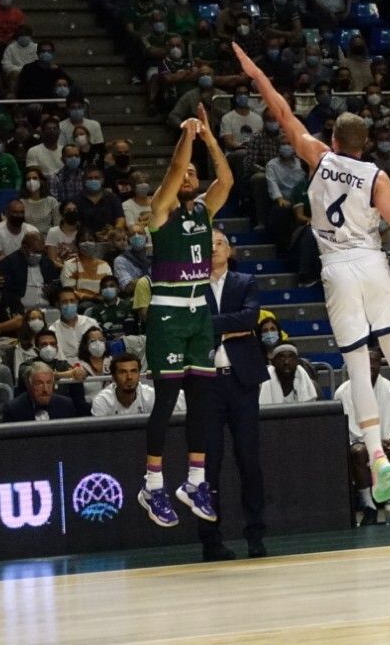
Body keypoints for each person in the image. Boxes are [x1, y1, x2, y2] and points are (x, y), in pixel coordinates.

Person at [233, 42, 390, 506]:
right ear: (365, 145)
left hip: (337, 268)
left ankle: (377, 456)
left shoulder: (318, 157)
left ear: (336, 140)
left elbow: (282, 112)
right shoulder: (377, 178)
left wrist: (256, 72)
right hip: (372, 263)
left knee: (358, 366)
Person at [139, 104, 231, 528]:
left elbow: (227, 180)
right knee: (166, 401)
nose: (191, 176)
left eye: (196, 173)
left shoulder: (204, 212)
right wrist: (187, 136)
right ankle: (152, 485)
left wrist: (210, 138)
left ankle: (195, 482)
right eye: (186, 174)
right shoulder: (161, 211)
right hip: (168, 315)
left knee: (202, 403)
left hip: (199, 316)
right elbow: (175, 167)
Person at [198, 229, 269, 560]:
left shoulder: (245, 281)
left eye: (220, 242)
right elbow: (193, 324)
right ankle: (211, 540)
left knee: (249, 460)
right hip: (207, 383)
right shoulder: (192, 285)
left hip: (242, 382)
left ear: (230, 248)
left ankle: (255, 535)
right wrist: (232, 326)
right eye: (208, 244)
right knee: (208, 464)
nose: (214, 248)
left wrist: (212, 324)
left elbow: (251, 318)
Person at [336, 340, 390, 521]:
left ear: (380, 363)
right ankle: (369, 507)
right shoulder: (343, 392)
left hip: (387, 442)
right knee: (357, 451)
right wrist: (373, 444)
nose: (370, 365)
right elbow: (350, 428)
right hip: (360, 443)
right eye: (365, 361)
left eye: (374, 361)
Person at [1, 365, 78, 422]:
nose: (45, 389)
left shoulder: (66, 405)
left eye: (49, 383)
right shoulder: (13, 409)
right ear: (28, 384)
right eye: (39, 383)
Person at [92, 353, 158, 415]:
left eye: (134, 371)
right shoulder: (102, 401)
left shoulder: (151, 396)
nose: (129, 377)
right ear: (114, 377)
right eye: (123, 372)